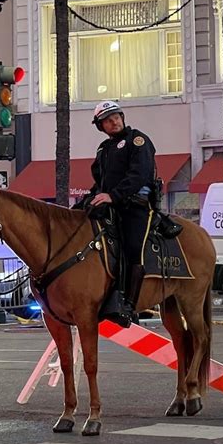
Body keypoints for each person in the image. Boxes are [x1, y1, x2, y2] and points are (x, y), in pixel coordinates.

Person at [89, 100, 156, 327]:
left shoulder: (137, 140)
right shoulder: (103, 149)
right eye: (107, 120)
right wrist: (89, 200)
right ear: (101, 126)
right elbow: (100, 182)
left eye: (116, 116)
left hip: (135, 206)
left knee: (133, 248)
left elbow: (139, 175)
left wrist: (114, 195)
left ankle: (129, 305)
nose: (113, 121)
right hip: (111, 206)